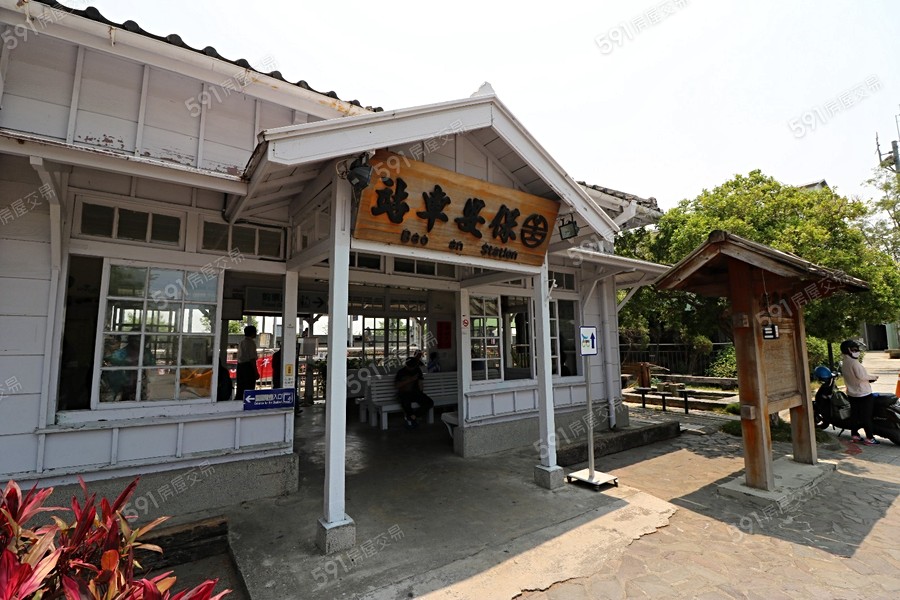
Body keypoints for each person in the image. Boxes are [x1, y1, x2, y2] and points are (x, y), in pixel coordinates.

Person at [840, 339, 879, 445]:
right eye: (854, 349)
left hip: (852, 393)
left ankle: (855, 435)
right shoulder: (854, 363)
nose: (857, 351)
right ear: (848, 350)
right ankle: (870, 438)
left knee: (855, 415)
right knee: (866, 417)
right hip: (863, 393)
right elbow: (862, 376)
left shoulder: (845, 362)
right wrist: (874, 377)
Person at [395, 352, 434, 428]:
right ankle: (412, 419)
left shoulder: (417, 370)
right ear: (407, 365)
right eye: (410, 366)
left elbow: (420, 383)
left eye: (413, 366)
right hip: (404, 393)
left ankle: (413, 417)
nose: (412, 368)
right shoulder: (401, 372)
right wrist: (410, 380)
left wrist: (421, 392)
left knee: (429, 402)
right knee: (406, 403)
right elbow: (397, 385)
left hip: (415, 393)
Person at [235, 325, 259, 400]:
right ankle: (248, 402)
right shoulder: (251, 343)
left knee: (240, 387)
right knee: (249, 387)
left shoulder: (241, 342)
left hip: (240, 366)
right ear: (252, 333)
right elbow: (252, 359)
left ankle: (238, 401)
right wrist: (256, 372)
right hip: (248, 367)